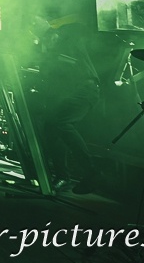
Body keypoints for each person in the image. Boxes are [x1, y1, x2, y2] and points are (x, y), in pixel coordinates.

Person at [35, 16, 102, 194]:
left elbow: (80, 26)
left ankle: (92, 172)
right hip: (73, 91)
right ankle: (62, 176)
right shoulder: (51, 49)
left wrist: (49, 28)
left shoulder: (68, 38)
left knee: (61, 122)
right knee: (51, 127)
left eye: (46, 37)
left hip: (85, 90)